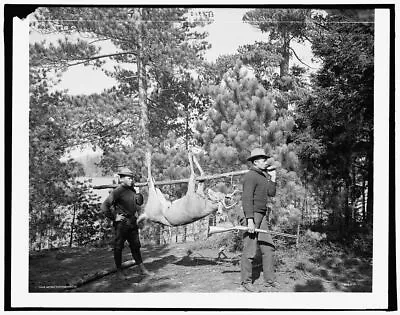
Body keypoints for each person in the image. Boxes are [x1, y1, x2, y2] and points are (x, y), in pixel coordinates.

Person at [101, 167, 154, 280]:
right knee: (118, 247)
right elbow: (104, 206)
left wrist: (138, 193)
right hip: (121, 224)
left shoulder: (133, 190)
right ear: (122, 179)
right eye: (129, 178)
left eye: (132, 178)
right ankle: (119, 272)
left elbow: (139, 202)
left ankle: (142, 269)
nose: (131, 180)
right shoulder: (117, 191)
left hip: (132, 222)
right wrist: (114, 217)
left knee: (136, 246)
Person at [240, 148, 279, 292]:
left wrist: (273, 177)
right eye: (263, 160)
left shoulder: (263, 176)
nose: (266, 162)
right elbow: (246, 199)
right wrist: (249, 220)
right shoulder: (250, 176)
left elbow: (271, 193)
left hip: (261, 216)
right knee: (250, 250)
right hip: (252, 215)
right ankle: (246, 282)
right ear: (255, 162)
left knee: (268, 248)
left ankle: (269, 280)